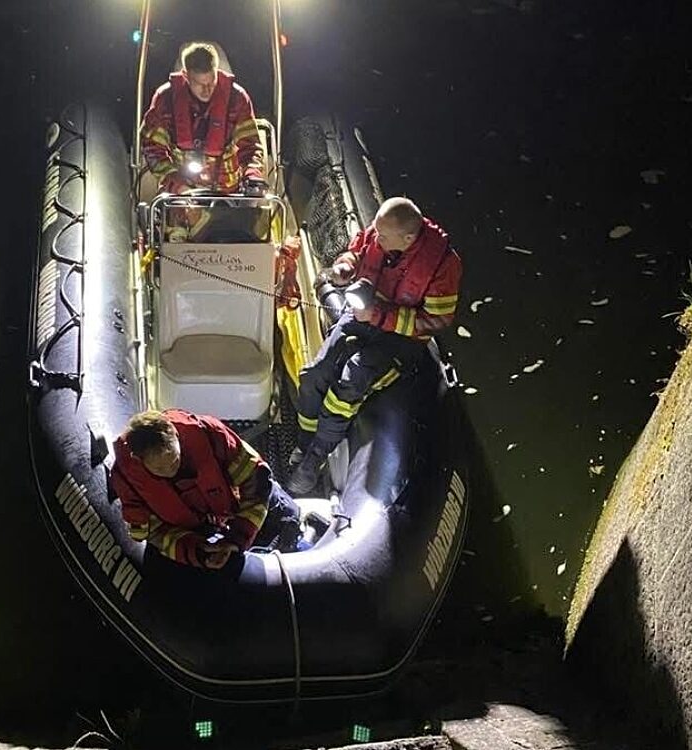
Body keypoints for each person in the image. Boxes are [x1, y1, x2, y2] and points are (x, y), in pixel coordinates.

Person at [285, 197, 463, 495]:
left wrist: (381, 316)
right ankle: (304, 443)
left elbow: (436, 321)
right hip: (361, 314)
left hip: (400, 339)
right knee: (315, 373)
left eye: (383, 236)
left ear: (407, 238)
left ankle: (315, 459)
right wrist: (344, 267)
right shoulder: (380, 232)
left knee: (350, 382)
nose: (376, 238)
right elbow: (357, 251)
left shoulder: (444, 266)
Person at [110, 409, 302, 570]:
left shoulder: (211, 434)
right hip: (199, 530)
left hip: (243, 509)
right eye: (160, 469)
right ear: (139, 461)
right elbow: (155, 533)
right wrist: (198, 553)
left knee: (287, 518)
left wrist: (236, 539)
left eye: (175, 460)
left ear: (175, 433)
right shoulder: (129, 480)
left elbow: (257, 480)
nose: (170, 471)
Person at [139, 42, 266, 197]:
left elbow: (250, 146)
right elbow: (153, 148)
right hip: (181, 194)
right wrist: (175, 183)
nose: (206, 90)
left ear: (217, 73)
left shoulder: (237, 99)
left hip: (230, 194)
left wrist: (252, 176)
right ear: (185, 76)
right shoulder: (165, 100)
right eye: (200, 84)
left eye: (211, 83)